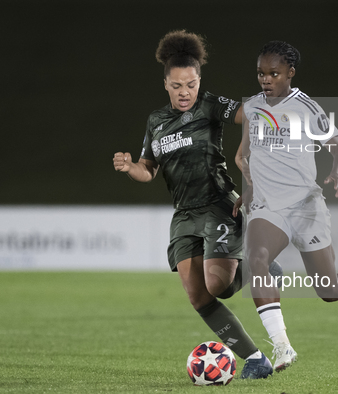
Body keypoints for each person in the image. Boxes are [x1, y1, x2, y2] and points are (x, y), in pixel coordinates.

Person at [113, 30, 274, 379]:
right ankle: (257, 360)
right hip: (184, 214)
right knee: (198, 296)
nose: (184, 92)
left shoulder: (211, 105)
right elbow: (148, 170)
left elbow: (251, 115)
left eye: (190, 84)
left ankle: (264, 264)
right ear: (166, 84)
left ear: (199, 80)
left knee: (219, 286)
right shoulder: (156, 122)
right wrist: (131, 168)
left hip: (218, 204)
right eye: (176, 86)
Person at [233, 41, 338, 372]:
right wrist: (246, 193)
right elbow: (245, 154)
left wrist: (336, 172)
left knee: (328, 288)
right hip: (268, 207)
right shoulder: (251, 107)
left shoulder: (306, 108)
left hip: (305, 206)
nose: (265, 79)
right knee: (257, 259)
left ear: (290, 73)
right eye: (261, 73)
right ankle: (282, 347)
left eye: (273, 73)